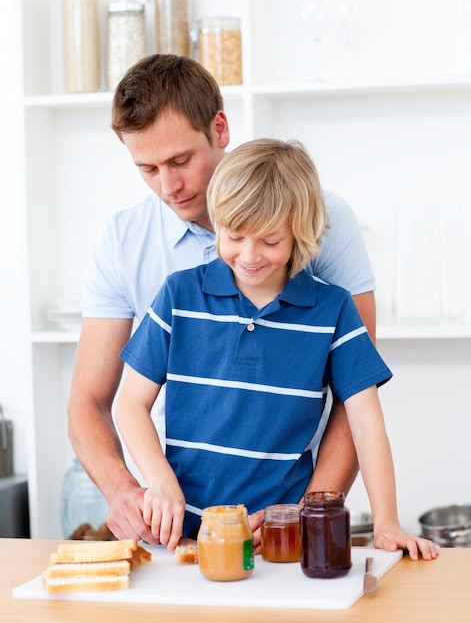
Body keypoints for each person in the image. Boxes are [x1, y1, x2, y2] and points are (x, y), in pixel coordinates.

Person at [68, 54, 376, 549]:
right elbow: (90, 400)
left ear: (220, 128)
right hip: (175, 521)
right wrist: (128, 491)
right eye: (147, 169)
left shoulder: (323, 218)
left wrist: (306, 513)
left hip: (281, 512)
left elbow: (356, 397)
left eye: (180, 161)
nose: (168, 187)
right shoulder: (124, 241)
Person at [116, 138, 438, 561]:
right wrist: (158, 481)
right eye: (235, 236)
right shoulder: (179, 295)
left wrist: (387, 522)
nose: (249, 256)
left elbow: (366, 423)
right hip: (181, 543)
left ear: (299, 234)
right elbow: (129, 404)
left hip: (279, 545)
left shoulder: (334, 309)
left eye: (270, 241)